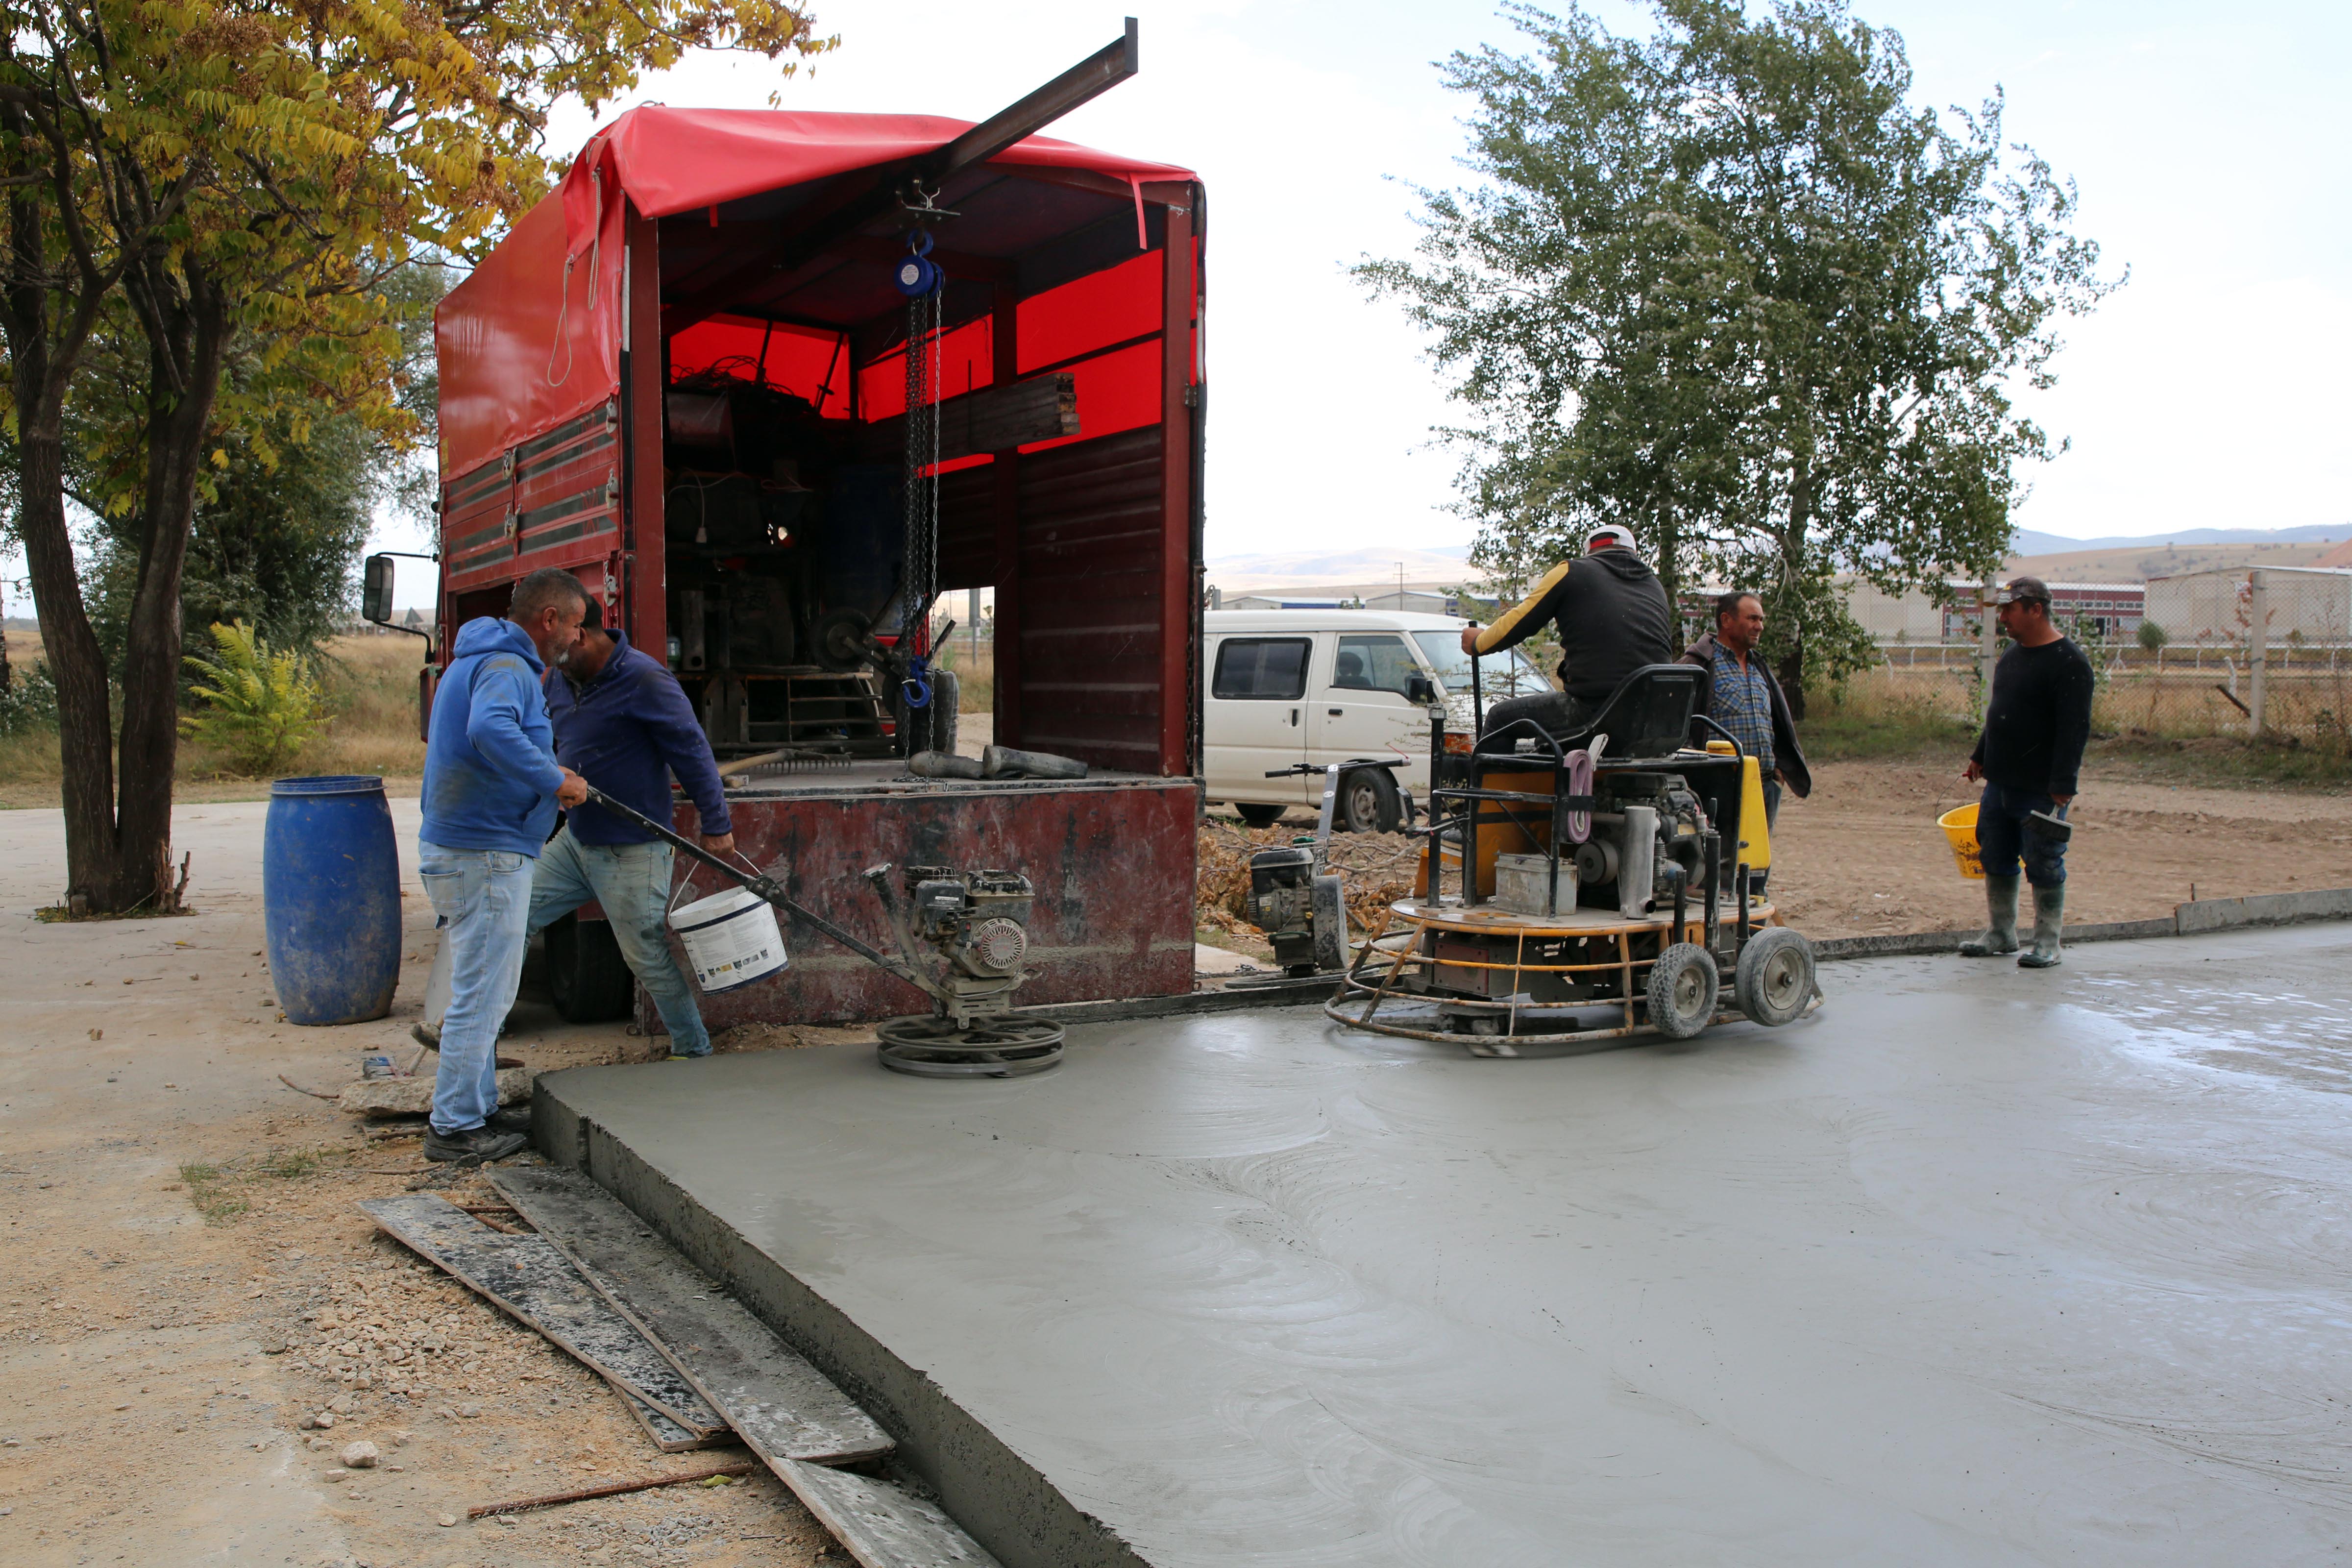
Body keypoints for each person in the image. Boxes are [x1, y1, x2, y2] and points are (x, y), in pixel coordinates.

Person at [416, 569, 590, 1164]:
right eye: (575, 624)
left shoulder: (478, 658)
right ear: (549, 619)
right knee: (484, 993)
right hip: (484, 853)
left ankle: (478, 1105)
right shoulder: (508, 666)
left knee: (486, 987)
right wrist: (554, 778)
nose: (578, 636)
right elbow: (489, 728)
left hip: (470, 848)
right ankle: (455, 1126)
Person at [534, 619, 735, 1059]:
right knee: (512, 917)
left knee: (644, 955)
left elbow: (692, 751)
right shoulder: (559, 679)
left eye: (561, 658)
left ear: (581, 634)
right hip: (576, 841)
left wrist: (716, 822)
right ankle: (477, 1039)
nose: (557, 669)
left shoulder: (645, 679)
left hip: (633, 848)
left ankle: (693, 1050)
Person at [1959, 576, 2094, 968]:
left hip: (2040, 789)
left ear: (2036, 610)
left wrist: (2063, 784)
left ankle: (2048, 943)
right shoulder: (2012, 655)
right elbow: (2000, 712)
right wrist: (1980, 755)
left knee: (2044, 860)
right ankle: (2002, 933)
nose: (2003, 618)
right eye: (2001, 610)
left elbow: (2074, 730)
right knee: (1994, 852)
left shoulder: (2070, 663)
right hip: (2000, 782)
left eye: (2010, 609)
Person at [1458, 524, 1675, 742]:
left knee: (1500, 718)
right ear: (1633, 552)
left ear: (1589, 551)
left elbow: (1521, 621)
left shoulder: (1571, 572)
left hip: (1595, 711)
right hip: (1653, 714)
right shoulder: (1654, 585)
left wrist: (1478, 642)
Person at [1678, 590, 1811, 891]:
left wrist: (1777, 772)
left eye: (1761, 619)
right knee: (1716, 873)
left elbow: (1776, 722)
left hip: (1763, 787)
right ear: (1726, 620)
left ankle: (1754, 916)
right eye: (1752, 618)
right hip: (1719, 788)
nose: (1759, 626)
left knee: (1756, 869)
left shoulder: (1758, 666)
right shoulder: (1698, 665)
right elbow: (1677, 726)